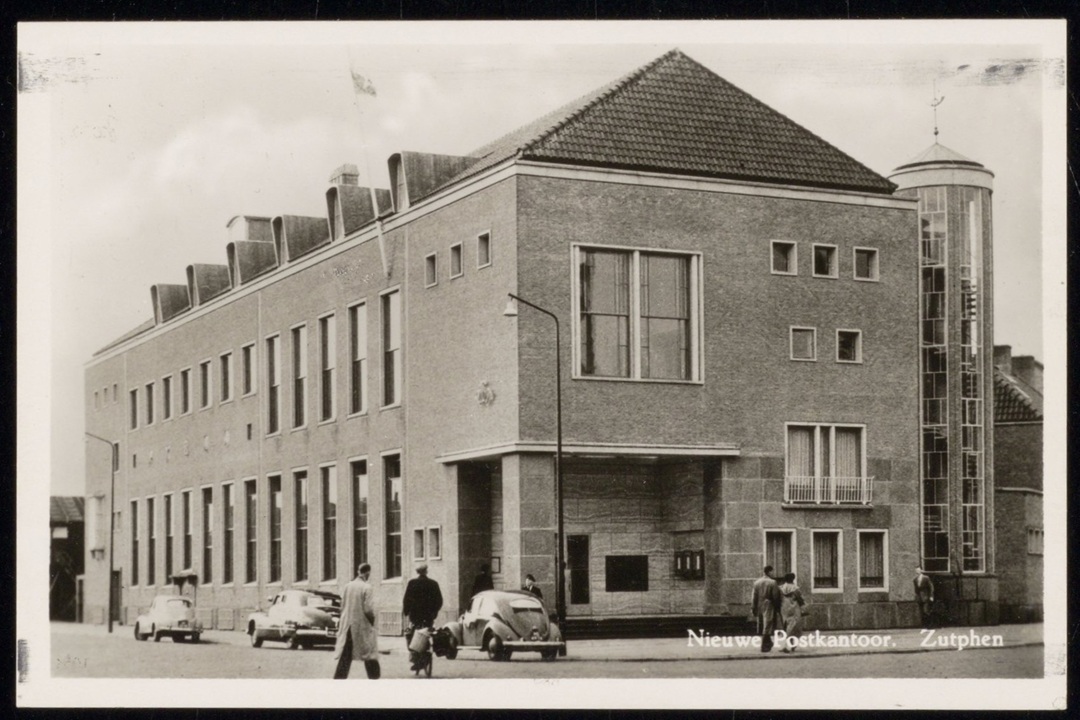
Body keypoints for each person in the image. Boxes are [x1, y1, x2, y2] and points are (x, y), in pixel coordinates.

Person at [333, 563, 381, 679]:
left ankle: (338, 679)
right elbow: (368, 609)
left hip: (348, 626)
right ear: (367, 573)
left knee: (346, 654)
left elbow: (342, 606)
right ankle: (374, 678)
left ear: (358, 572)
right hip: (361, 626)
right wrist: (372, 621)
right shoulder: (366, 587)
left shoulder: (347, 586)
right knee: (369, 652)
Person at [402, 563, 443, 671]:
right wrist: (434, 612)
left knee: (412, 636)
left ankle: (416, 660)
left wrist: (406, 611)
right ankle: (426, 654)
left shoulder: (412, 583)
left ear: (417, 572)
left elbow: (407, 599)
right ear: (426, 571)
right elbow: (439, 600)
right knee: (427, 633)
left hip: (415, 616)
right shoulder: (433, 583)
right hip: (428, 616)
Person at [750, 565, 782, 652]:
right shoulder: (773, 582)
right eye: (772, 571)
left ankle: (768, 642)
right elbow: (775, 596)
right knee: (768, 624)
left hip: (759, 605)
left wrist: (753, 607)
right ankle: (764, 645)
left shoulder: (757, 582)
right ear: (769, 572)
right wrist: (777, 607)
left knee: (762, 624)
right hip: (769, 604)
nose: (773, 573)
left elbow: (754, 596)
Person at [777, 572, 806, 652]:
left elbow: (778, 599)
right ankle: (789, 645)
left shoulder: (780, 588)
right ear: (793, 579)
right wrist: (803, 608)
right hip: (794, 608)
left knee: (786, 626)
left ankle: (791, 644)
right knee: (794, 627)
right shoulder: (795, 588)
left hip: (784, 609)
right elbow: (800, 599)